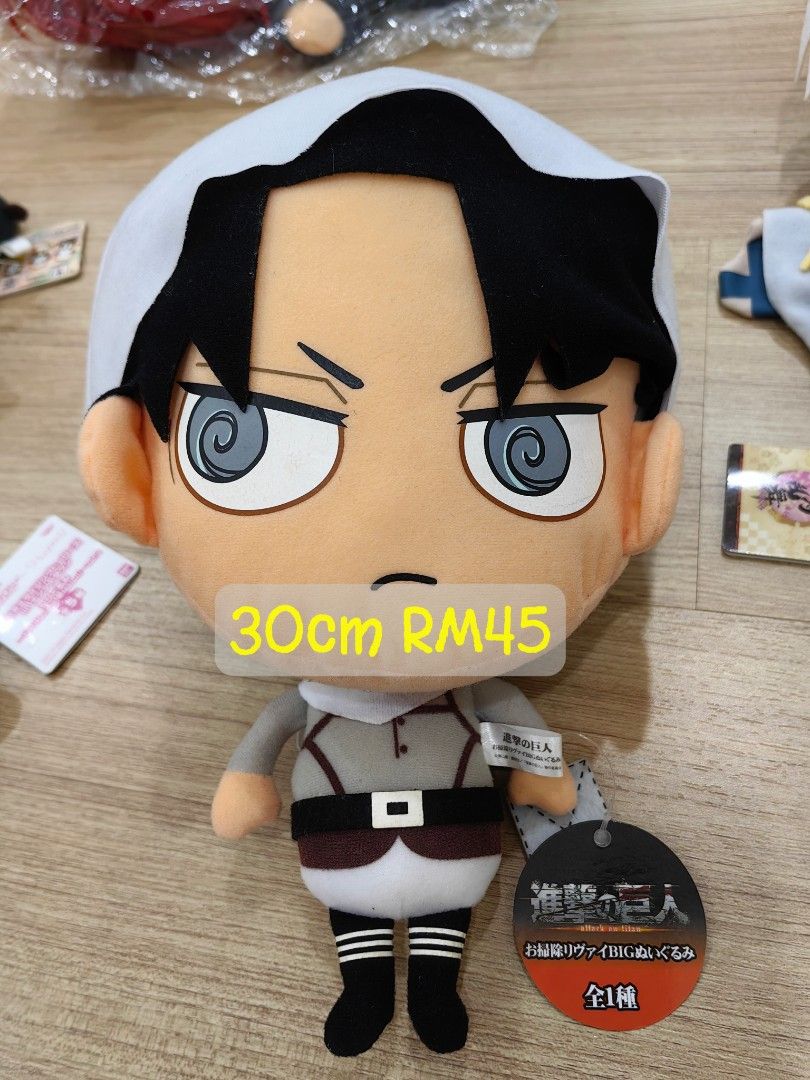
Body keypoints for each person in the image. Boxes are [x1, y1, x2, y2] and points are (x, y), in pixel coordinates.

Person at [79, 69, 683, 1056]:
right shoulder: (333, 688)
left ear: (645, 490)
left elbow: (510, 722)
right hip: (352, 842)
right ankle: (366, 986)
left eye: (531, 452)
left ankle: (434, 984)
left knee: (437, 935)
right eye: (246, 441)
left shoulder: (473, 683)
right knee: (360, 934)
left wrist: (543, 781)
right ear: (128, 478)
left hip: (446, 836)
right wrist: (248, 776)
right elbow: (275, 732)